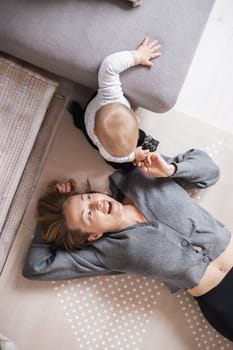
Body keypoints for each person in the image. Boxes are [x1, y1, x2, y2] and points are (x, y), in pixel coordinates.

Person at [23, 149, 233, 342]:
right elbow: (36, 267)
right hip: (220, 301)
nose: (95, 203)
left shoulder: (141, 176)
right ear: (93, 235)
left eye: (87, 198)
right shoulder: (104, 253)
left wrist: (170, 170)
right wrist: (46, 221)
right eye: (88, 214)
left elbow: (210, 172)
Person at [69, 36, 161, 169]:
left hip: (95, 122)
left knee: (144, 138)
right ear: (136, 119)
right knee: (117, 163)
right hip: (91, 131)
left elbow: (109, 66)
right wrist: (133, 155)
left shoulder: (111, 94)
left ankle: (147, 151)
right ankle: (79, 119)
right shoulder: (107, 152)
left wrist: (138, 56)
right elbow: (112, 156)